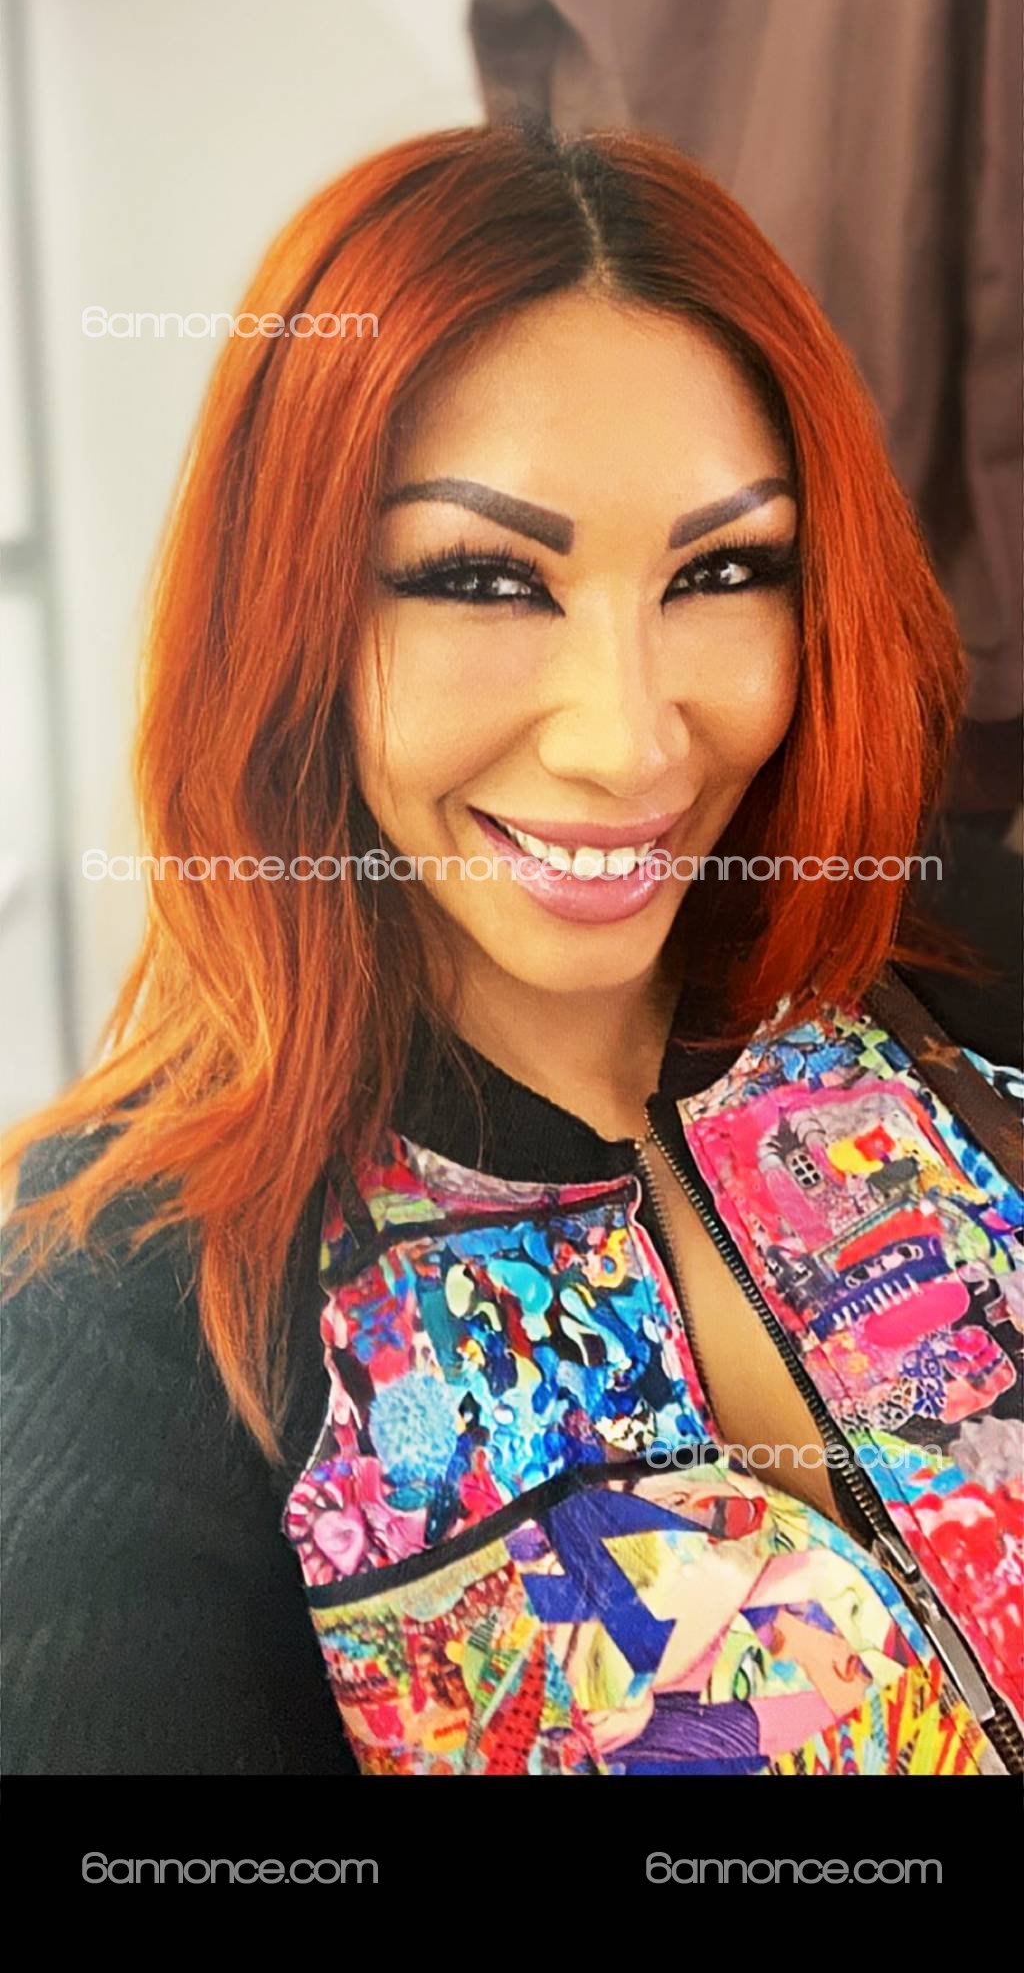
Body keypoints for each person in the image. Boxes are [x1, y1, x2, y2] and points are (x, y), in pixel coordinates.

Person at [3, 117, 1022, 1777]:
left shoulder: (955, 949)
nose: (629, 743)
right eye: (484, 578)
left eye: (723, 569)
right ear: (290, 614)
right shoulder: (119, 1304)